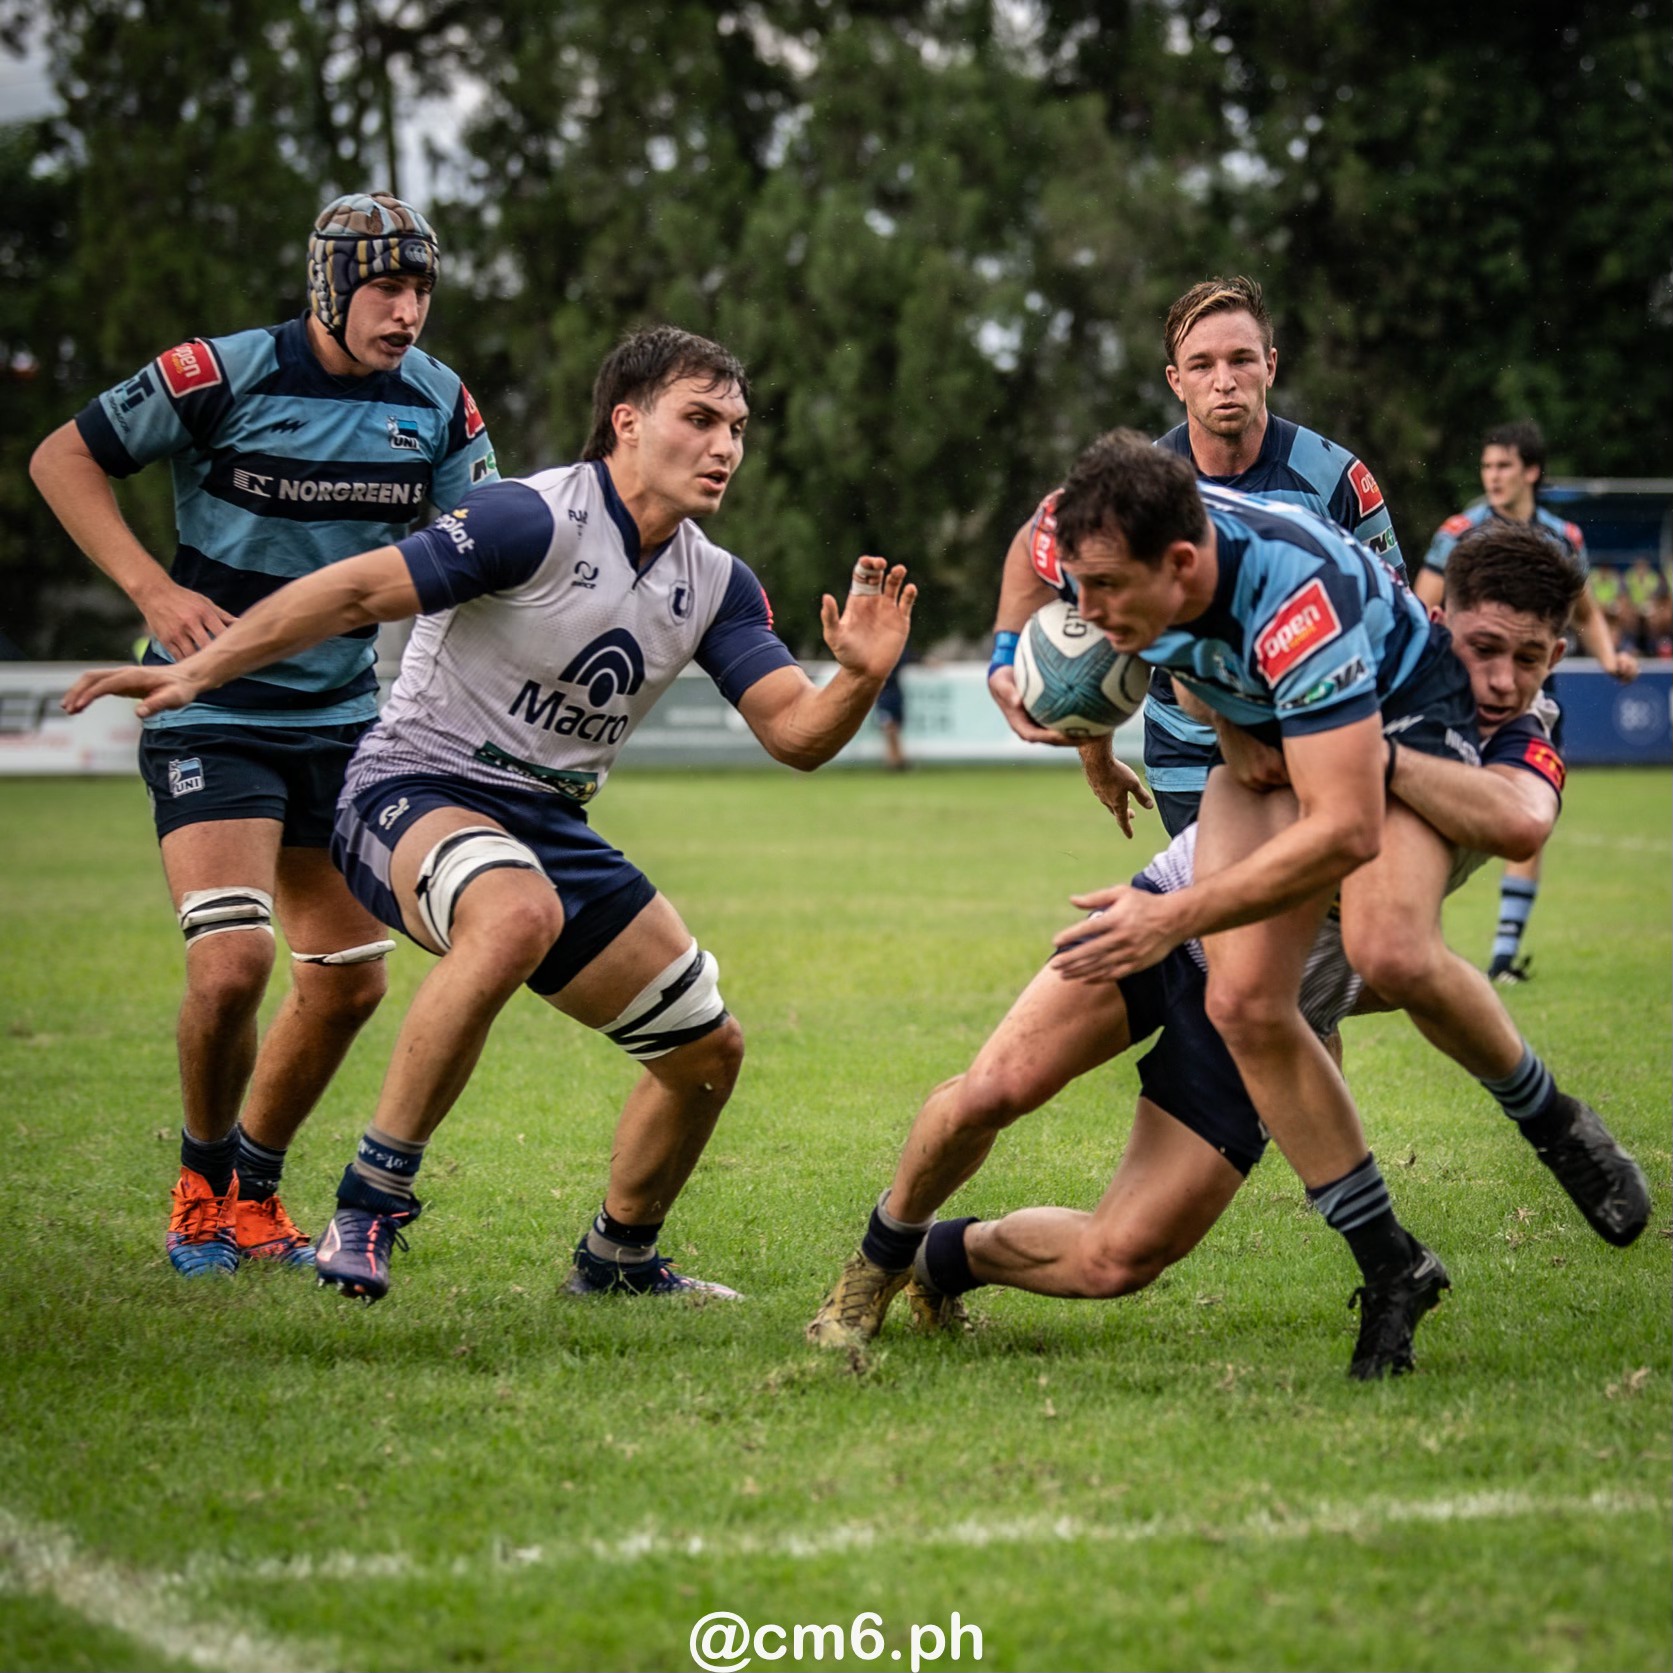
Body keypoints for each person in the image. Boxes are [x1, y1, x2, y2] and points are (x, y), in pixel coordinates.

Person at [66, 325, 916, 1305]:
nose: (726, 445)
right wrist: (200, 666)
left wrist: (855, 677)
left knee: (704, 1050)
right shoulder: (526, 518)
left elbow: (795, 735)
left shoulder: (716, 582)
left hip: (548, 822)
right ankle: (370, 1200)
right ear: (626, 423)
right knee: (515, 912)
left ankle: (617, 1262)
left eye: (736, 425)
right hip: (410, 786)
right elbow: (354, 588)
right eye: (700, 419)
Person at [808, 520, 1648, 1370]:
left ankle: (940, 1257)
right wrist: (1052, 679)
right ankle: (874, 1260)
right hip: (1171, 909)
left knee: (1117, 1259)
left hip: (1272, 1007)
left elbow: (1518, 820)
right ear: (1441, 615)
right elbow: (1174, 649)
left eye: (1531, 657)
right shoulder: (1356, 647)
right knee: (996, 1086)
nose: (1502, 680)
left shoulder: (1520, 730)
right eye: (1483, 647)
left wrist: (1359, 752)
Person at [30, 192, 497, 1278]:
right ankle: (199, 1188)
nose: (408, 311)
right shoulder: (217, 373)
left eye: (421, 289)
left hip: (342, 721)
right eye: (386, 287)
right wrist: (150, 588)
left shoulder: (437, 405)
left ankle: (255, 1190)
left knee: (346, 980)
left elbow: (474, 556)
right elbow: (63, 456)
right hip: (213, 709)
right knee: (234, 963)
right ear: (330, 285)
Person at [985, 276, 1403, 835]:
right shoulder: (1136, 488)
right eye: (1202, 365)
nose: (1224, 382)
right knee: (1222, 910)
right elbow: (1037, 544)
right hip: (1186, 752)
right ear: (1175, 381)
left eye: (1242, 360)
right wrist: (1091, 748)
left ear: (1271, 366)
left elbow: (1392, 622)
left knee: (1309, 911)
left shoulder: (1337, 479)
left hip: (1308, 736)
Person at [1416, 420, 1638, 982]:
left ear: (1531, 472)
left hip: (1537, 703)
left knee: (1525, 810)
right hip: (1457, 697)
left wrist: (1610, 658)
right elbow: (1420, 607)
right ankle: (1407, 926)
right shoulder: (1459, 529)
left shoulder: (1564, 537)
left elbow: (1585, 613)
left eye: (1504, 467)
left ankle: (1503, 956)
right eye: (1486, 467)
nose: (1492, 477)